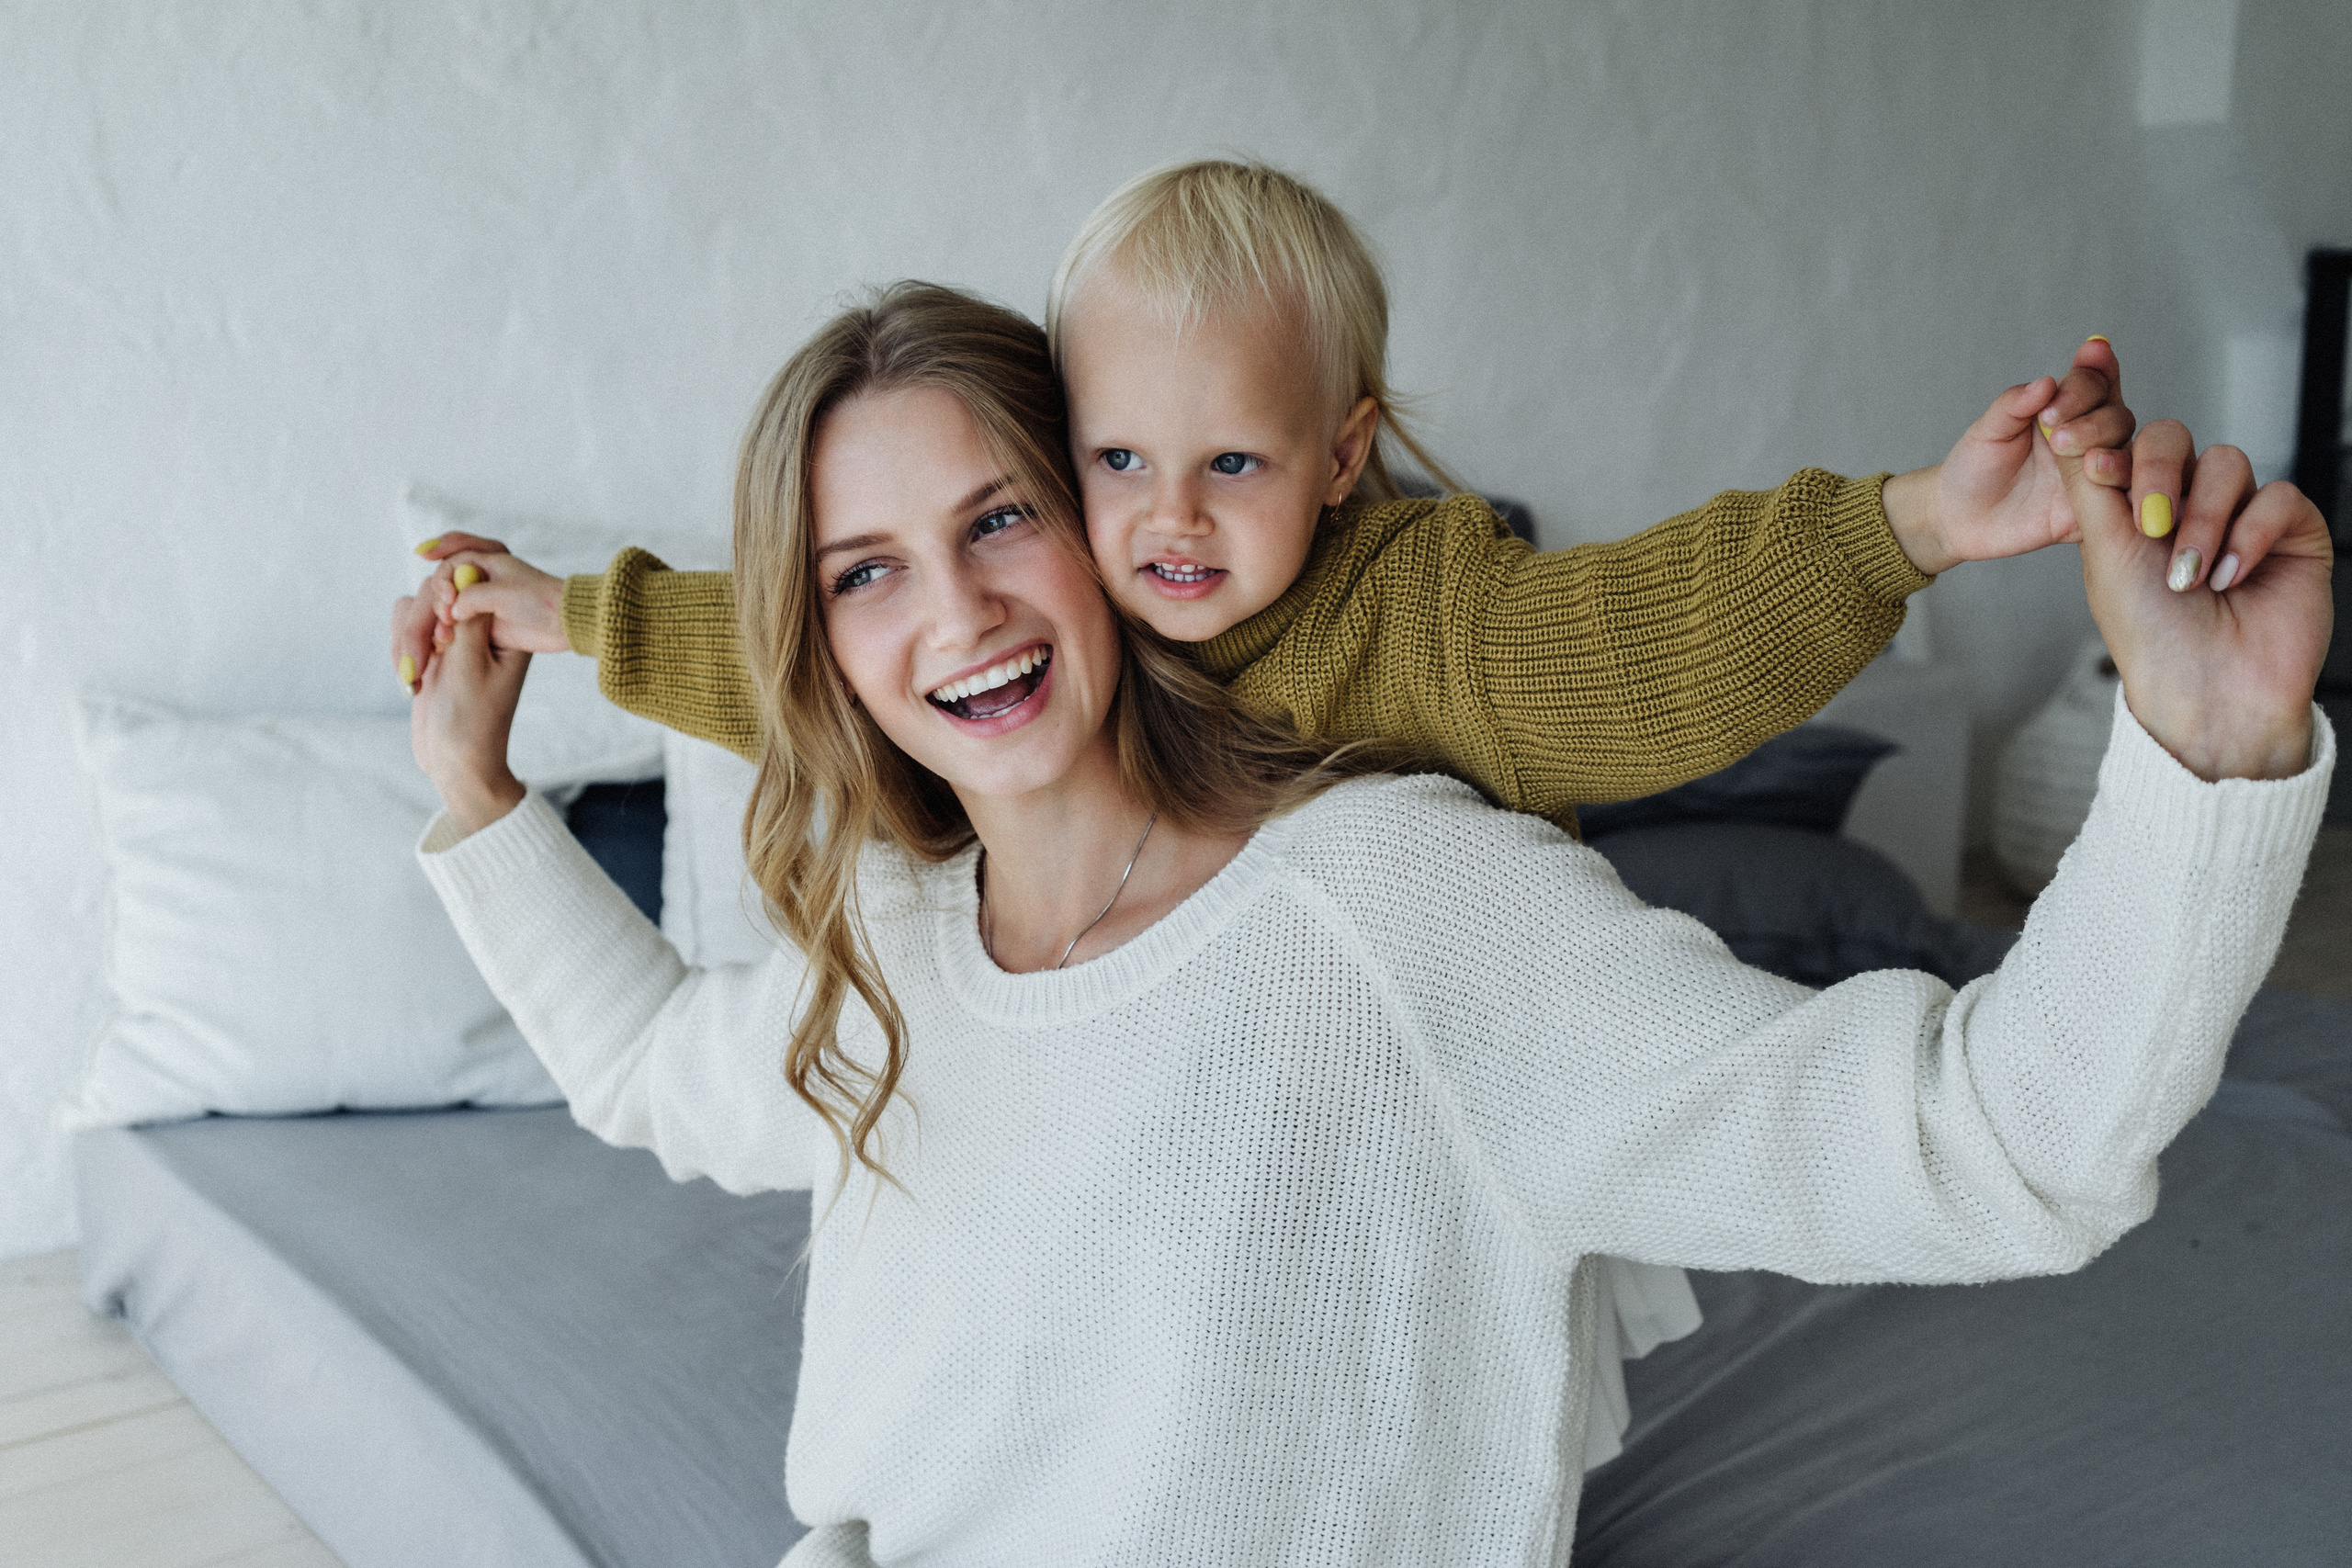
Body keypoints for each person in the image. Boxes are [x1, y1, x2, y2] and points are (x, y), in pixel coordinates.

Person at [410, 284, 2333, 1564]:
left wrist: (2204, 754)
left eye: (1001, 518)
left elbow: (1990, 1146)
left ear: (1120, 534)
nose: (957, 613)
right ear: (814, 641)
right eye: (862, 572)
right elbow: (651, 1069)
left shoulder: (1395, 906)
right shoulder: (893, 946)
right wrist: (479, 804)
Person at [391, 158, 2158, 836]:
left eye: (1233, 465)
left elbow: (1625, 647)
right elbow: (792, 636)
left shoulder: (1418, 616)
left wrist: (1911, 522)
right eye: (1114, 465)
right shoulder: (1047, 605)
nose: (1169, 521)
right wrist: (554, 613)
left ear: (1343, 454)